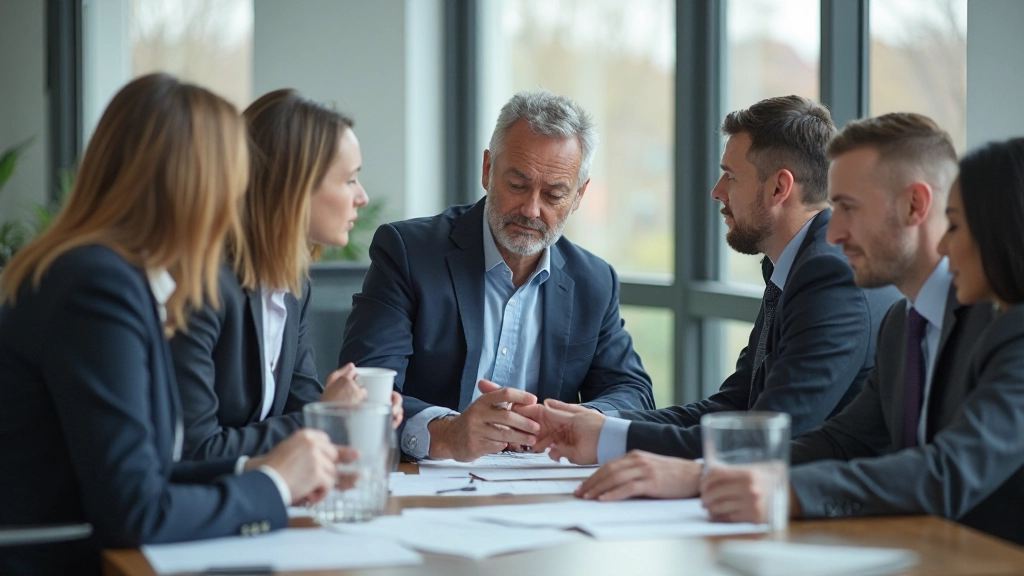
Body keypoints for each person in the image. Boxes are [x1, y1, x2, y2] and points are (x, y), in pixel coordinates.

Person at [0, 74, 344, 576]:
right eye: (235, 179)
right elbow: (136, 511)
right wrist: (271, 485)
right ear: (195, 186)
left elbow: (151, 472)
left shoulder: (107, 276)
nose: (240, 201)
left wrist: (257, 469)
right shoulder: (96, 288)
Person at [516, 96, 901, 499]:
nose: (717, 192)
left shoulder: (830, 274)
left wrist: (609, 437)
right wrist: (604, 427)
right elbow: (734, 406)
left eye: (730, 176)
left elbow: (766, 436)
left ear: (778, 187)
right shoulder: (796, 264)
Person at [702, 120, 1024, 545]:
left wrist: (787, 491)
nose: (833, 233)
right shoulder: (900, 325)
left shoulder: (1005, 327)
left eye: (849, 208)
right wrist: (711, 475)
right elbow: (843, 439)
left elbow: (950, 470)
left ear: (914, 206)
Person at [339, 89, 655, 462]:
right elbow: (365, 390)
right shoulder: (408, 253)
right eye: (517, 185)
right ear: (488, 169)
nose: (531, 210)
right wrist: (446, 433)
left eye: (554, 195)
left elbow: (632, 391)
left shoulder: (594, 281)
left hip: (541, 490)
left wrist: (583, 420)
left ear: (579, 196)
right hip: (429, 485)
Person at [169, 89, 402, 461]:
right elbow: (197, 449)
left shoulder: (292, 287)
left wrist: (356, 413)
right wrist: (322, 416)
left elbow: (303, 409)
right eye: (349, 180)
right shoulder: (204, 288)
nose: (362, 197)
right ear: (293, 188)